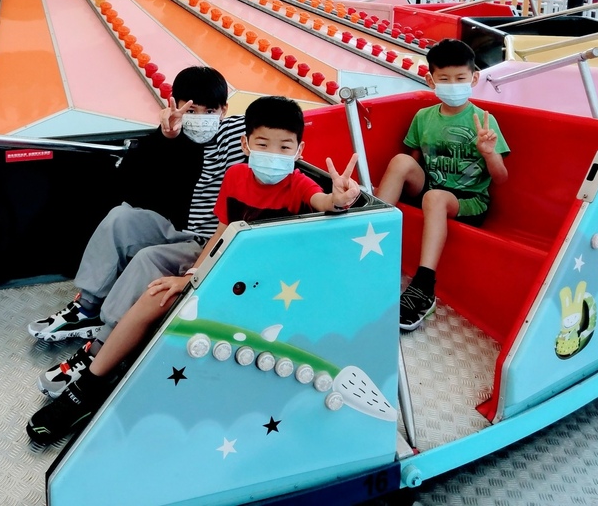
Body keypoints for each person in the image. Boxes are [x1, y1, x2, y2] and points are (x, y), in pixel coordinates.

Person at [26, 96, 361, 444]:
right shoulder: (236, 176)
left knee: (161, 300)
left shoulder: (298, 185)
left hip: (257, 288)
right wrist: (192, 277)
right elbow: (221, 233)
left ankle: (99, 379)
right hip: (224, 270)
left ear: (299, 150)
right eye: (263, 144)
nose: (273, 154)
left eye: (284, 147)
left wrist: (338, 200)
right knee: (157, 290)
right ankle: (90, 381)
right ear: (246, 144)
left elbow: (322, 201)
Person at [27, 66, 246, 348]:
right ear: (174, 105)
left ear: (224, 109)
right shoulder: (172, 136)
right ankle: (86, 309)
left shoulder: (238, 134)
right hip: (178, 230)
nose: (201, 119)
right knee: (120, 218)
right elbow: (129, 179)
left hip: (210, 240)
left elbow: (274, 128)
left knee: (147, 257)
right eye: (191, 111)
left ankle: (108, 331)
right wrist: (165, 138)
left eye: (210, 111)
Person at [375, 39, 510, 331]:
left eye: (460, 78)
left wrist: (489, 153)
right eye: (444, 79)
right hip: (430, 190)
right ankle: (370, 234)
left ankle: (424, 286)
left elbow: (500, 178)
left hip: (469, 200)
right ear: (430, 80)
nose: (453, 85)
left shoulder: (484, 121)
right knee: (401, 161)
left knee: (435, 197)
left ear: (474, 78)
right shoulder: (423, 117)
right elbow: (414, 161)